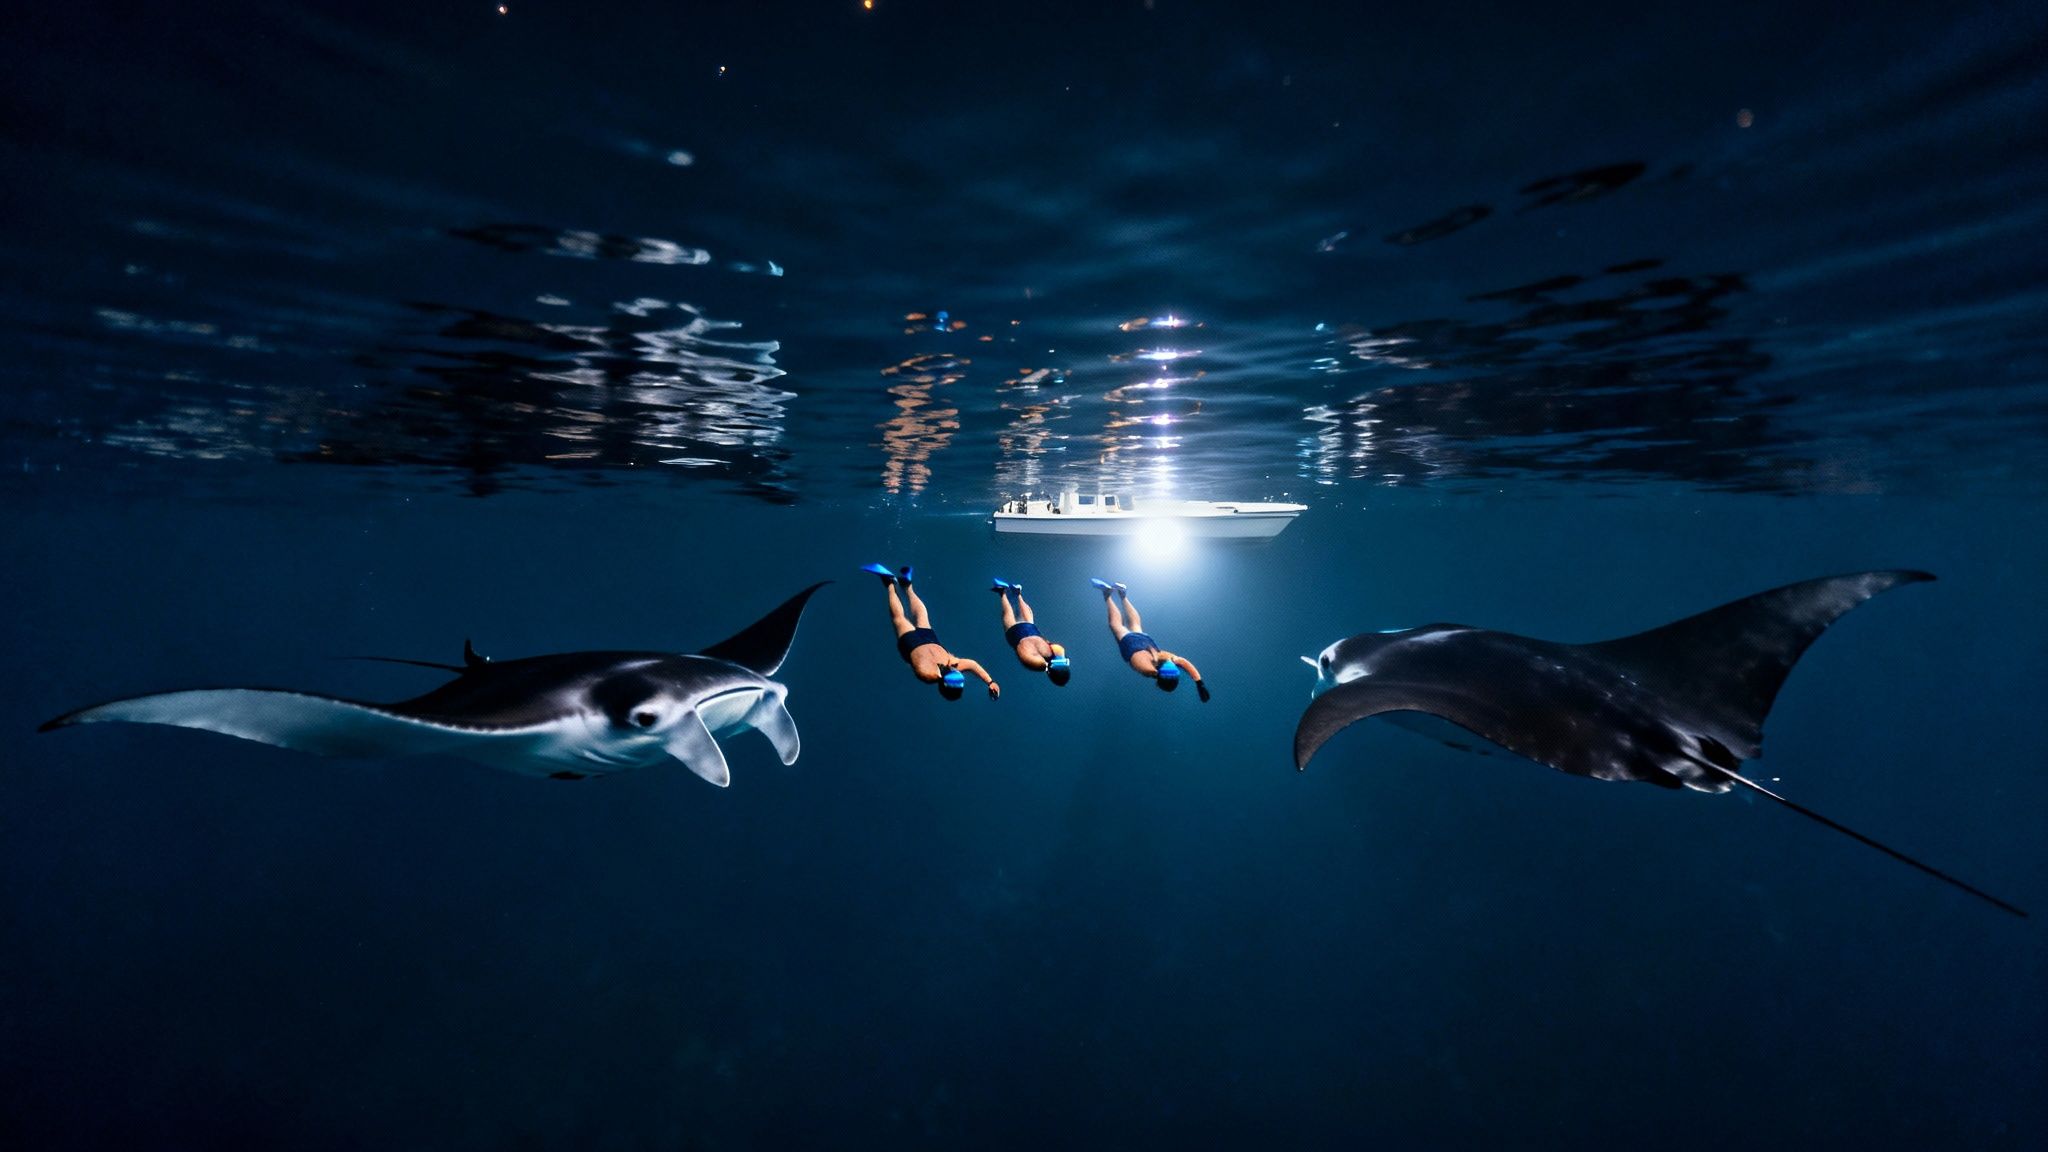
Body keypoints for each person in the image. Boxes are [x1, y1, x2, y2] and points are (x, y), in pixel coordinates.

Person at [861, 564, 999, 700]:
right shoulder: (954, 665)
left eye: (954, 674)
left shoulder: (928, 675)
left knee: (899, 618)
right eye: (958, 674)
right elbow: (973, 665)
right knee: (921, 613)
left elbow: (922, 668)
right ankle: (907, 586)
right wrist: (990, 681)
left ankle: (890, 583)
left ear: (944, 680)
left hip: (911, 644)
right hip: (930, 639)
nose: (956, 671)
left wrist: (944, 668)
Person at [1092, 579, 1210, 701]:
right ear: (1159, 683)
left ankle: (1123, 595)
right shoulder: (1148, 671)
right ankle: (1107, 594)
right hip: (1132, 646)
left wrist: (1199, 683)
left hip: (1146, 643)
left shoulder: (1171, 660)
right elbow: (1143, 665)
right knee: (1116, 626)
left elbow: (1185, 663)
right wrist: (1155, 670)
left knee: (1135, 625)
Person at [991, 579, 1071, 686]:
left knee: (1027, 618)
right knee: (1010, 615)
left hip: (1029, 633)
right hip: (1018, 636)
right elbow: (1023, 653)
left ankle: (1017, 593)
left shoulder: (1050, 656)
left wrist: (1055, 659)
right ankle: (1004, 592)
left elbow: (1058, 649)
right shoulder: (1042, 662)